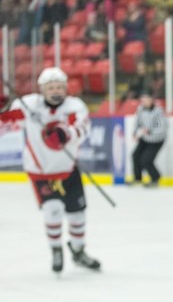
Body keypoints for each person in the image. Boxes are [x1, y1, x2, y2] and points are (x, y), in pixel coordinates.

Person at [0, 68, 100, 273]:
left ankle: (78, 250)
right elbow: (7, 121)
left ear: (65, 88)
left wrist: (64, 133)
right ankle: (56, 249)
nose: (55, 91)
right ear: (42, 90)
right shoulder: (29, 105)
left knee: (77, 214)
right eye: (50, 87)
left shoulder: (74, 106)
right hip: (40, 171)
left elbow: (81, 128)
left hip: (67, 169)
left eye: (59, 87)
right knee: (52, 211)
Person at [131, 93, 167, 187]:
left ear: (151, 100)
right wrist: (135, 133)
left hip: (157, 140)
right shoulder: (141, 109)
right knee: (135, 155)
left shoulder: (158, 111)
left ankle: (155, 178)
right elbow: (137, 122)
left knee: (146, 159)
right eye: (142, 100)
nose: (144, 102)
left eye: (146, 100)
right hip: (145, 138)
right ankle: (137, 178)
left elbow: (162, 126)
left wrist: (150, 131)